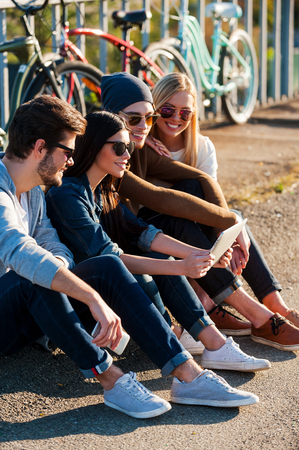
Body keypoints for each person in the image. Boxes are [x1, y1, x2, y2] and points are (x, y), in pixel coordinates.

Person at [0, 95, 261, 420]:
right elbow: (19, 250)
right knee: (34, 274)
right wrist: (90, 297)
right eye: (67, 151)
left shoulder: (35, 192)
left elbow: (55, 249)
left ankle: (188, 376)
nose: (71, 160)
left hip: (35, 313)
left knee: (99, 266)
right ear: (40, 147)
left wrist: (65, 277)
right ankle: (113, 379)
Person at [46, 110, 270, 374]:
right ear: (93, 147)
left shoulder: (104, 190)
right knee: (155, 268)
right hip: (76, 297)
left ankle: (214, 343)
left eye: (127, 147)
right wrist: (182, 267)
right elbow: (110, 260)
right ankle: (193, 344)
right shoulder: (67, 196)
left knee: (161, 259)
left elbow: (140, 232)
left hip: (103, 286)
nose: (127, 155)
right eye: (118, 147)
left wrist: (202, 254)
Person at [100, 71, 299, 352]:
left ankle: (265, 305)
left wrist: (230, 227)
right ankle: (255, 315)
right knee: (178, 217)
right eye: (136, 118)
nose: (144, 125)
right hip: (124, 244)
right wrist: (231, 223)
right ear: (111, 114)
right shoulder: (111, 149)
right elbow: (158, 198)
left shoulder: (142, 145)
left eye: (148, 118)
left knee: (207, 200)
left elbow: (202, 182)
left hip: (148, 232)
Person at [148, 71, 299, 329]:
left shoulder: (202, 146)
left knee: (233, 217)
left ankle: (274, 303)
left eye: (185, 113)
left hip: (194, 230)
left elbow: (212, 203)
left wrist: (230, 235)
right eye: (168, 110)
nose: (176, 118)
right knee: (191, 188)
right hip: (159, 232)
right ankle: (217, 301)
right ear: (155, 107)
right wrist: (146, 150)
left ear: (193, 115)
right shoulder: (141, 145)